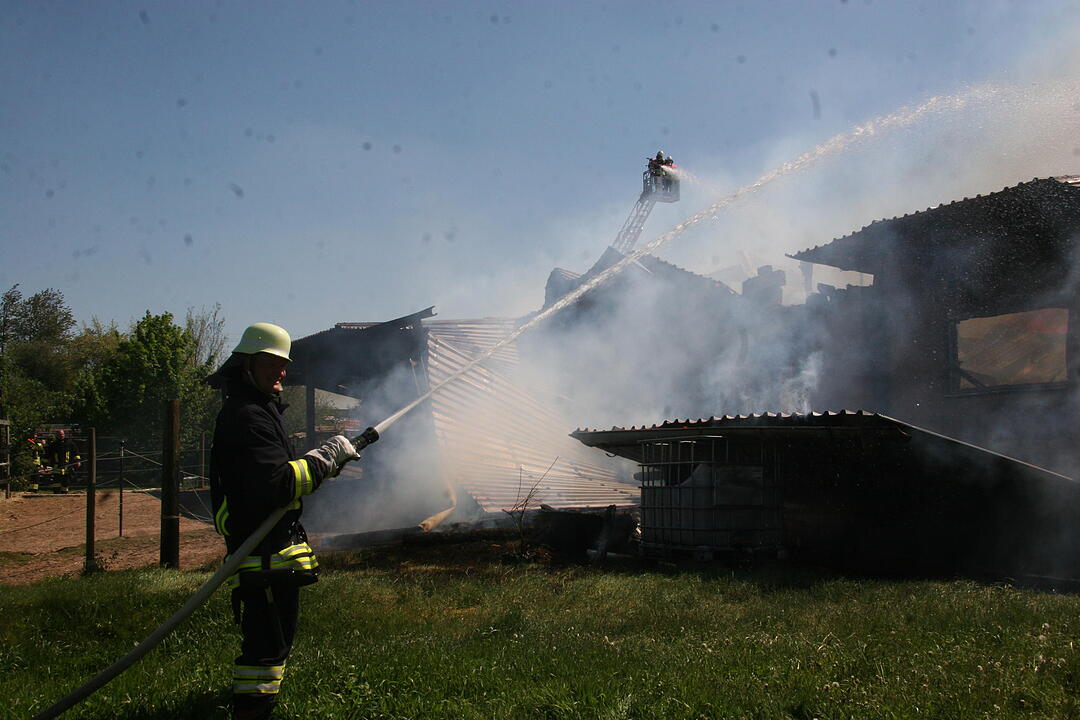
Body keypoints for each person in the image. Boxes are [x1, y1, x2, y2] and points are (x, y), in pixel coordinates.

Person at [207, 322, 360, 720]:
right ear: (246, 365)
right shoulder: (248, 417)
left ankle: (255, 704)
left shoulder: (255, 411)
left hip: (268, 554)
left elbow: (272, 476)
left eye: (283, 363)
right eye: (271, 362)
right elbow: (276, 486)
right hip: (264, 559)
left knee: (271, 643)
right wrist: (322, 460)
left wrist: (322, 463)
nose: (281, 371)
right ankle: (253, 710)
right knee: (266, 649)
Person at [45, 428, 80, 493]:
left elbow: (76, 453)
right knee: (56, 481)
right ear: (56, 435)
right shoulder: (53, 444)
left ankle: (64, 494)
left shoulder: (70, 443)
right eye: (59, 434)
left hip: (67, 465)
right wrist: (46, 464)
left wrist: (78, 461)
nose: (61, 435)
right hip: (56, 466)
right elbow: (48, 455)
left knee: (66, 481)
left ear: (64, 435)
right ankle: (56, 493)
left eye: (62, 434)